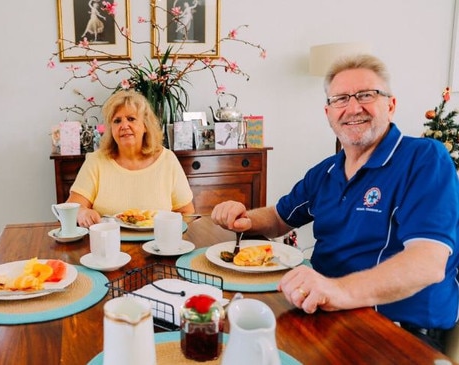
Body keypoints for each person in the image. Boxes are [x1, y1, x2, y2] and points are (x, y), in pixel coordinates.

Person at [211, 54, 458, 352]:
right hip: (323, 314)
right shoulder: (326, 171)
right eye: (341, 99)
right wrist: (244, 218)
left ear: (390, 105)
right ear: (328, 112)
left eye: (367, 95)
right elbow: (279, 218)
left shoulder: (424, 158)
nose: (353, 108)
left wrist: (337, 290)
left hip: (398, 332)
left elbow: (427, 264)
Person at [67, 90, 195, 228]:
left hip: (158, 245)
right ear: (111, 129)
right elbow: (72, 207)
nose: (124, 126)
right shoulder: (96, 161)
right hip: (108, 243)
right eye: (117, 121)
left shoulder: (167, 160)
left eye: (131, 119)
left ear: (145, 125)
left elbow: (186, 213)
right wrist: (82, 212)